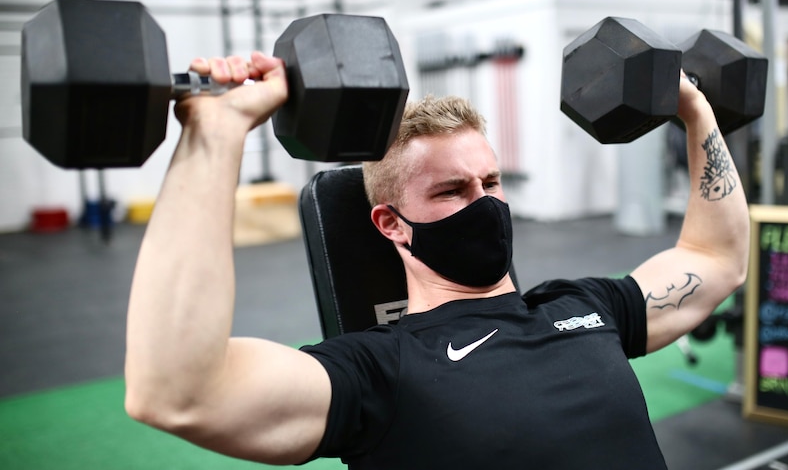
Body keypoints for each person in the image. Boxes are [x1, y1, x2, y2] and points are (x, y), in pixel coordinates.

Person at [124, 50, 750, 469]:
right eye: (452, 190)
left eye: (492, 182)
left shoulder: (586, 307)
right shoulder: (380, 371)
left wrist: (695, 112)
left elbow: (716, 258)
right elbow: (179, 393)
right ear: (391, 223)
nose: (483, 203)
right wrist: (216, 133)